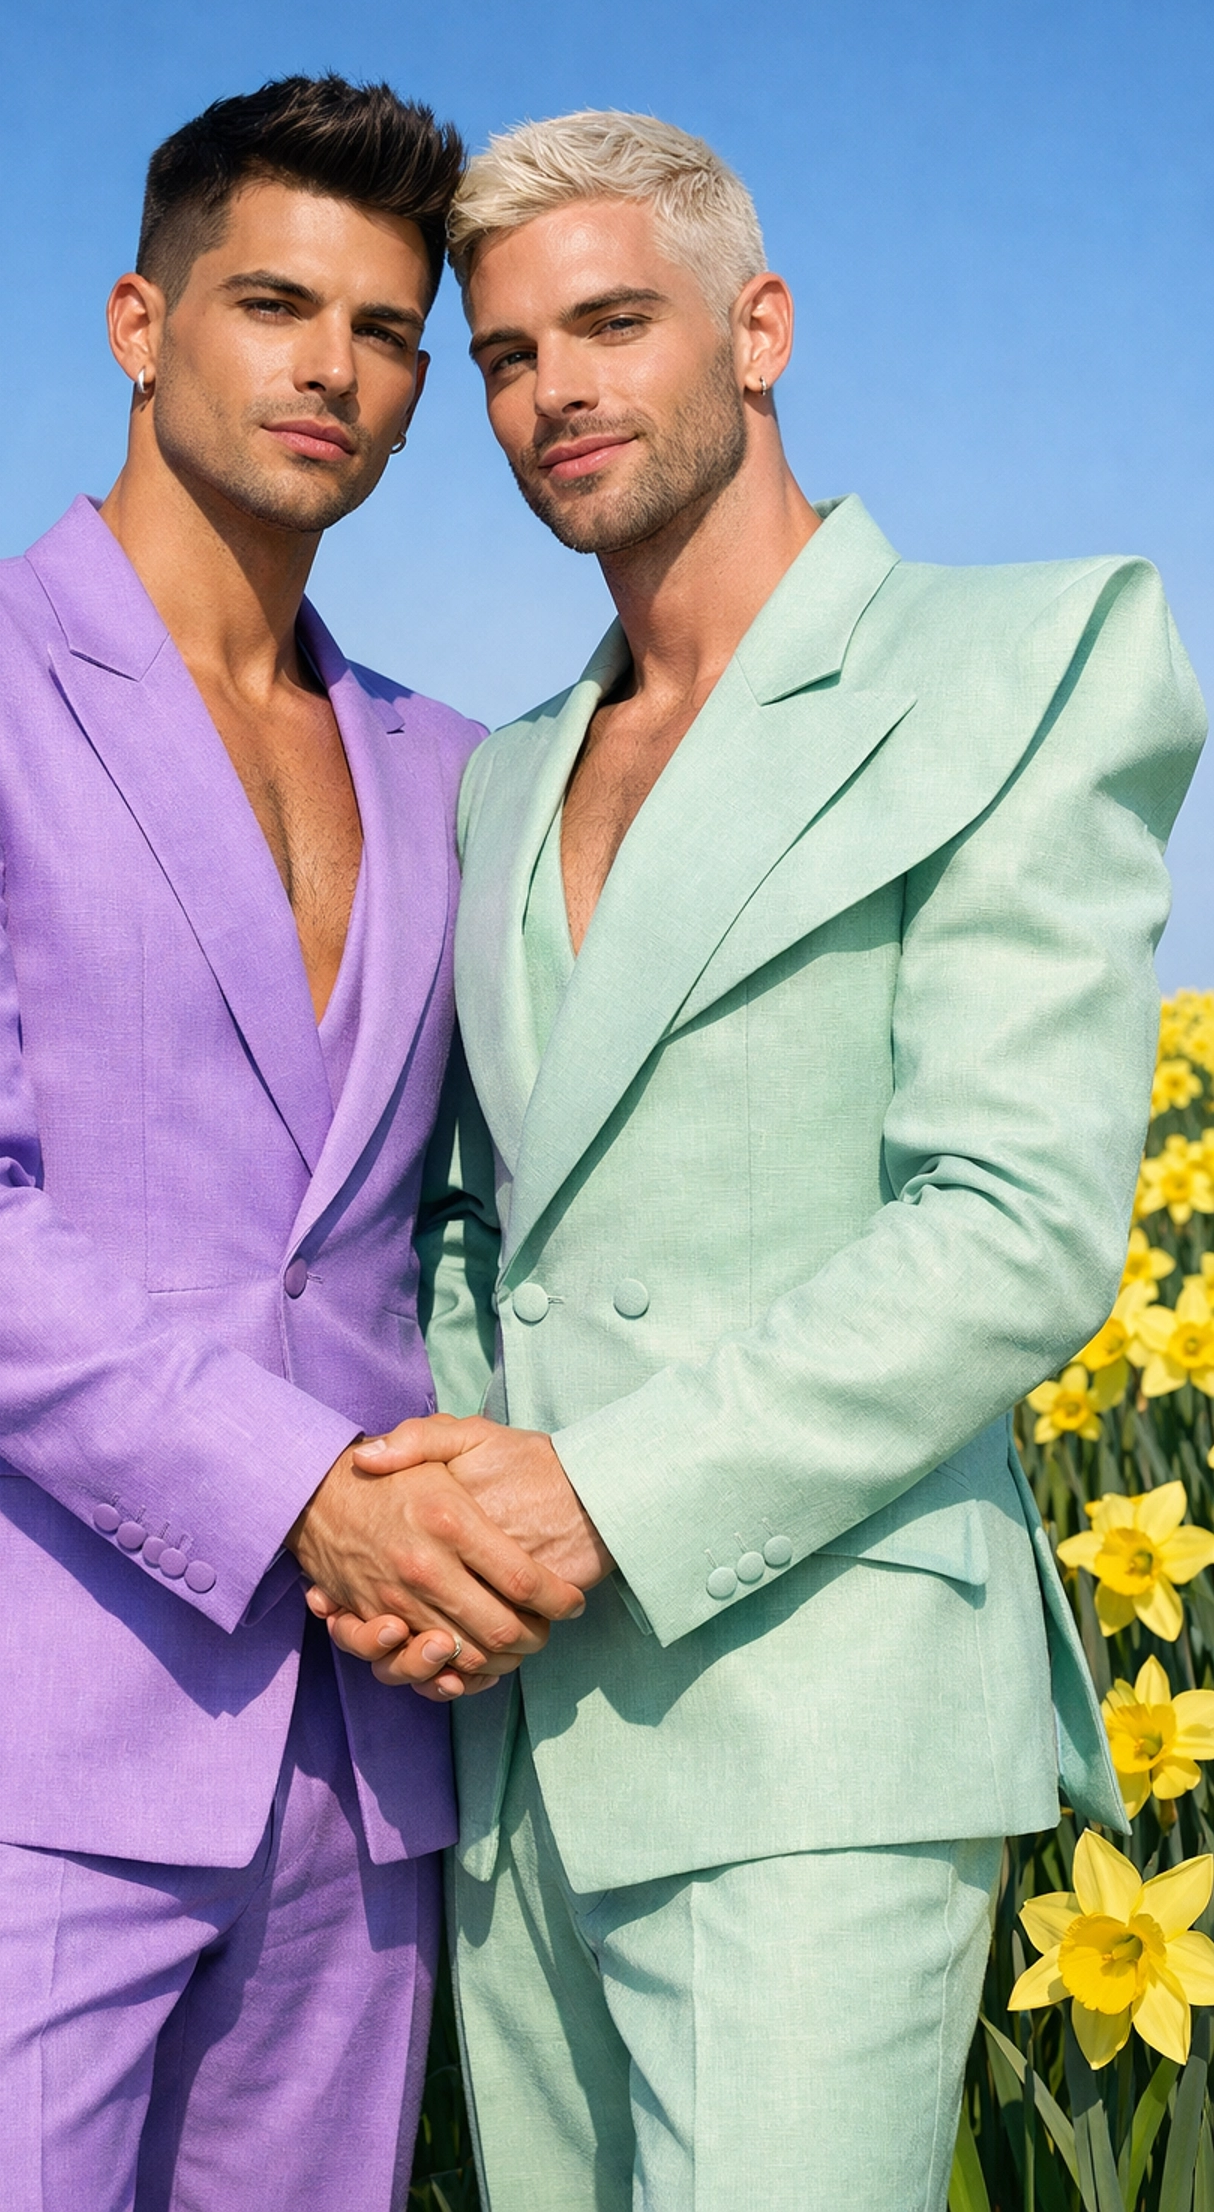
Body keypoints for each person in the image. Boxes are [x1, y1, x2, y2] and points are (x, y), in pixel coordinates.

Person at [313, 110, 1208, 2210]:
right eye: (512, 358)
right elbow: (479, 1225)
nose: (558, 396)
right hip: (521, 1734)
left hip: (812, 1711)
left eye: (613, 324)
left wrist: (591, 1498)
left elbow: (1011, 1229)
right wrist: (451, 1522)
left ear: (762, 326)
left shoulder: (1028, 662)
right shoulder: (508, 771)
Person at [0, 75, 583, 2212]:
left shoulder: (456, 768)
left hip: (364, 1754)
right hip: (19, 1718)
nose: (335, 370)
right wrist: (304, 1493)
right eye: (275, 302)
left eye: (391, 333)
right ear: (139, 317)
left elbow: (459, 1230)